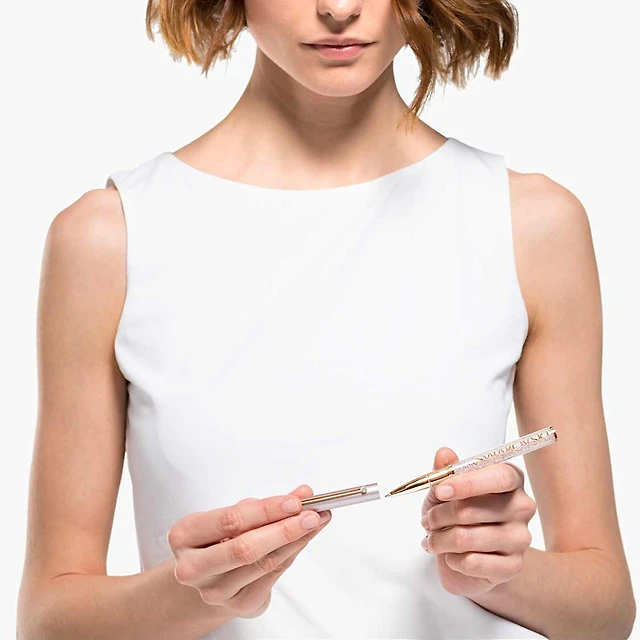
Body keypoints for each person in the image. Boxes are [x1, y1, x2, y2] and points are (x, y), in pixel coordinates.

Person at [16, 0, 636, 638]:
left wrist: (502, 571)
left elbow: (608, 609)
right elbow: (47, 618)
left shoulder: (531, 222)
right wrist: (196, 594)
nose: (338, 9)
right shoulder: (110, 238)